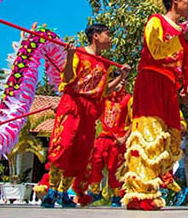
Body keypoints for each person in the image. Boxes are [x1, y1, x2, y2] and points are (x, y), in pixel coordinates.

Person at [123, 0, 188, 210]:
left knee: (169, 141)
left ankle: (152, 189)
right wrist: (182, 39)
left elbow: (187, 68)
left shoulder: (186, 33)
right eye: (187, 0)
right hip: (151, 82)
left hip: (169, 89)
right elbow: (156, 50)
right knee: (149, 135)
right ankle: (139, 194)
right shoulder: (156, 21)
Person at [40, 23, 131, 208]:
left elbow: (104, 91)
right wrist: (71, 55)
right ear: (95, 36)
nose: (111, 38)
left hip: (90, 111)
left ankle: (64, 192)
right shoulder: (79, 54)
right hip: (73, 104)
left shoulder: (105, 64)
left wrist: (121, 77)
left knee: (81, 152)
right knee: (64, 146)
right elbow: (67, 78)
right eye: (108, 34)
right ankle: (51, 190)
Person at [85, 81, 133, 207]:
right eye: (117, 78)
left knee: (115, 171)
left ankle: (117, 197)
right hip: (103, 137)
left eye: (123, 80)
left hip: (118, 141)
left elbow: (135, 120)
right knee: (95, 164)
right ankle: (95, 192)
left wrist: (124, 137)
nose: (120, 82)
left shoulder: (129, 100)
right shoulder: (105, 97)